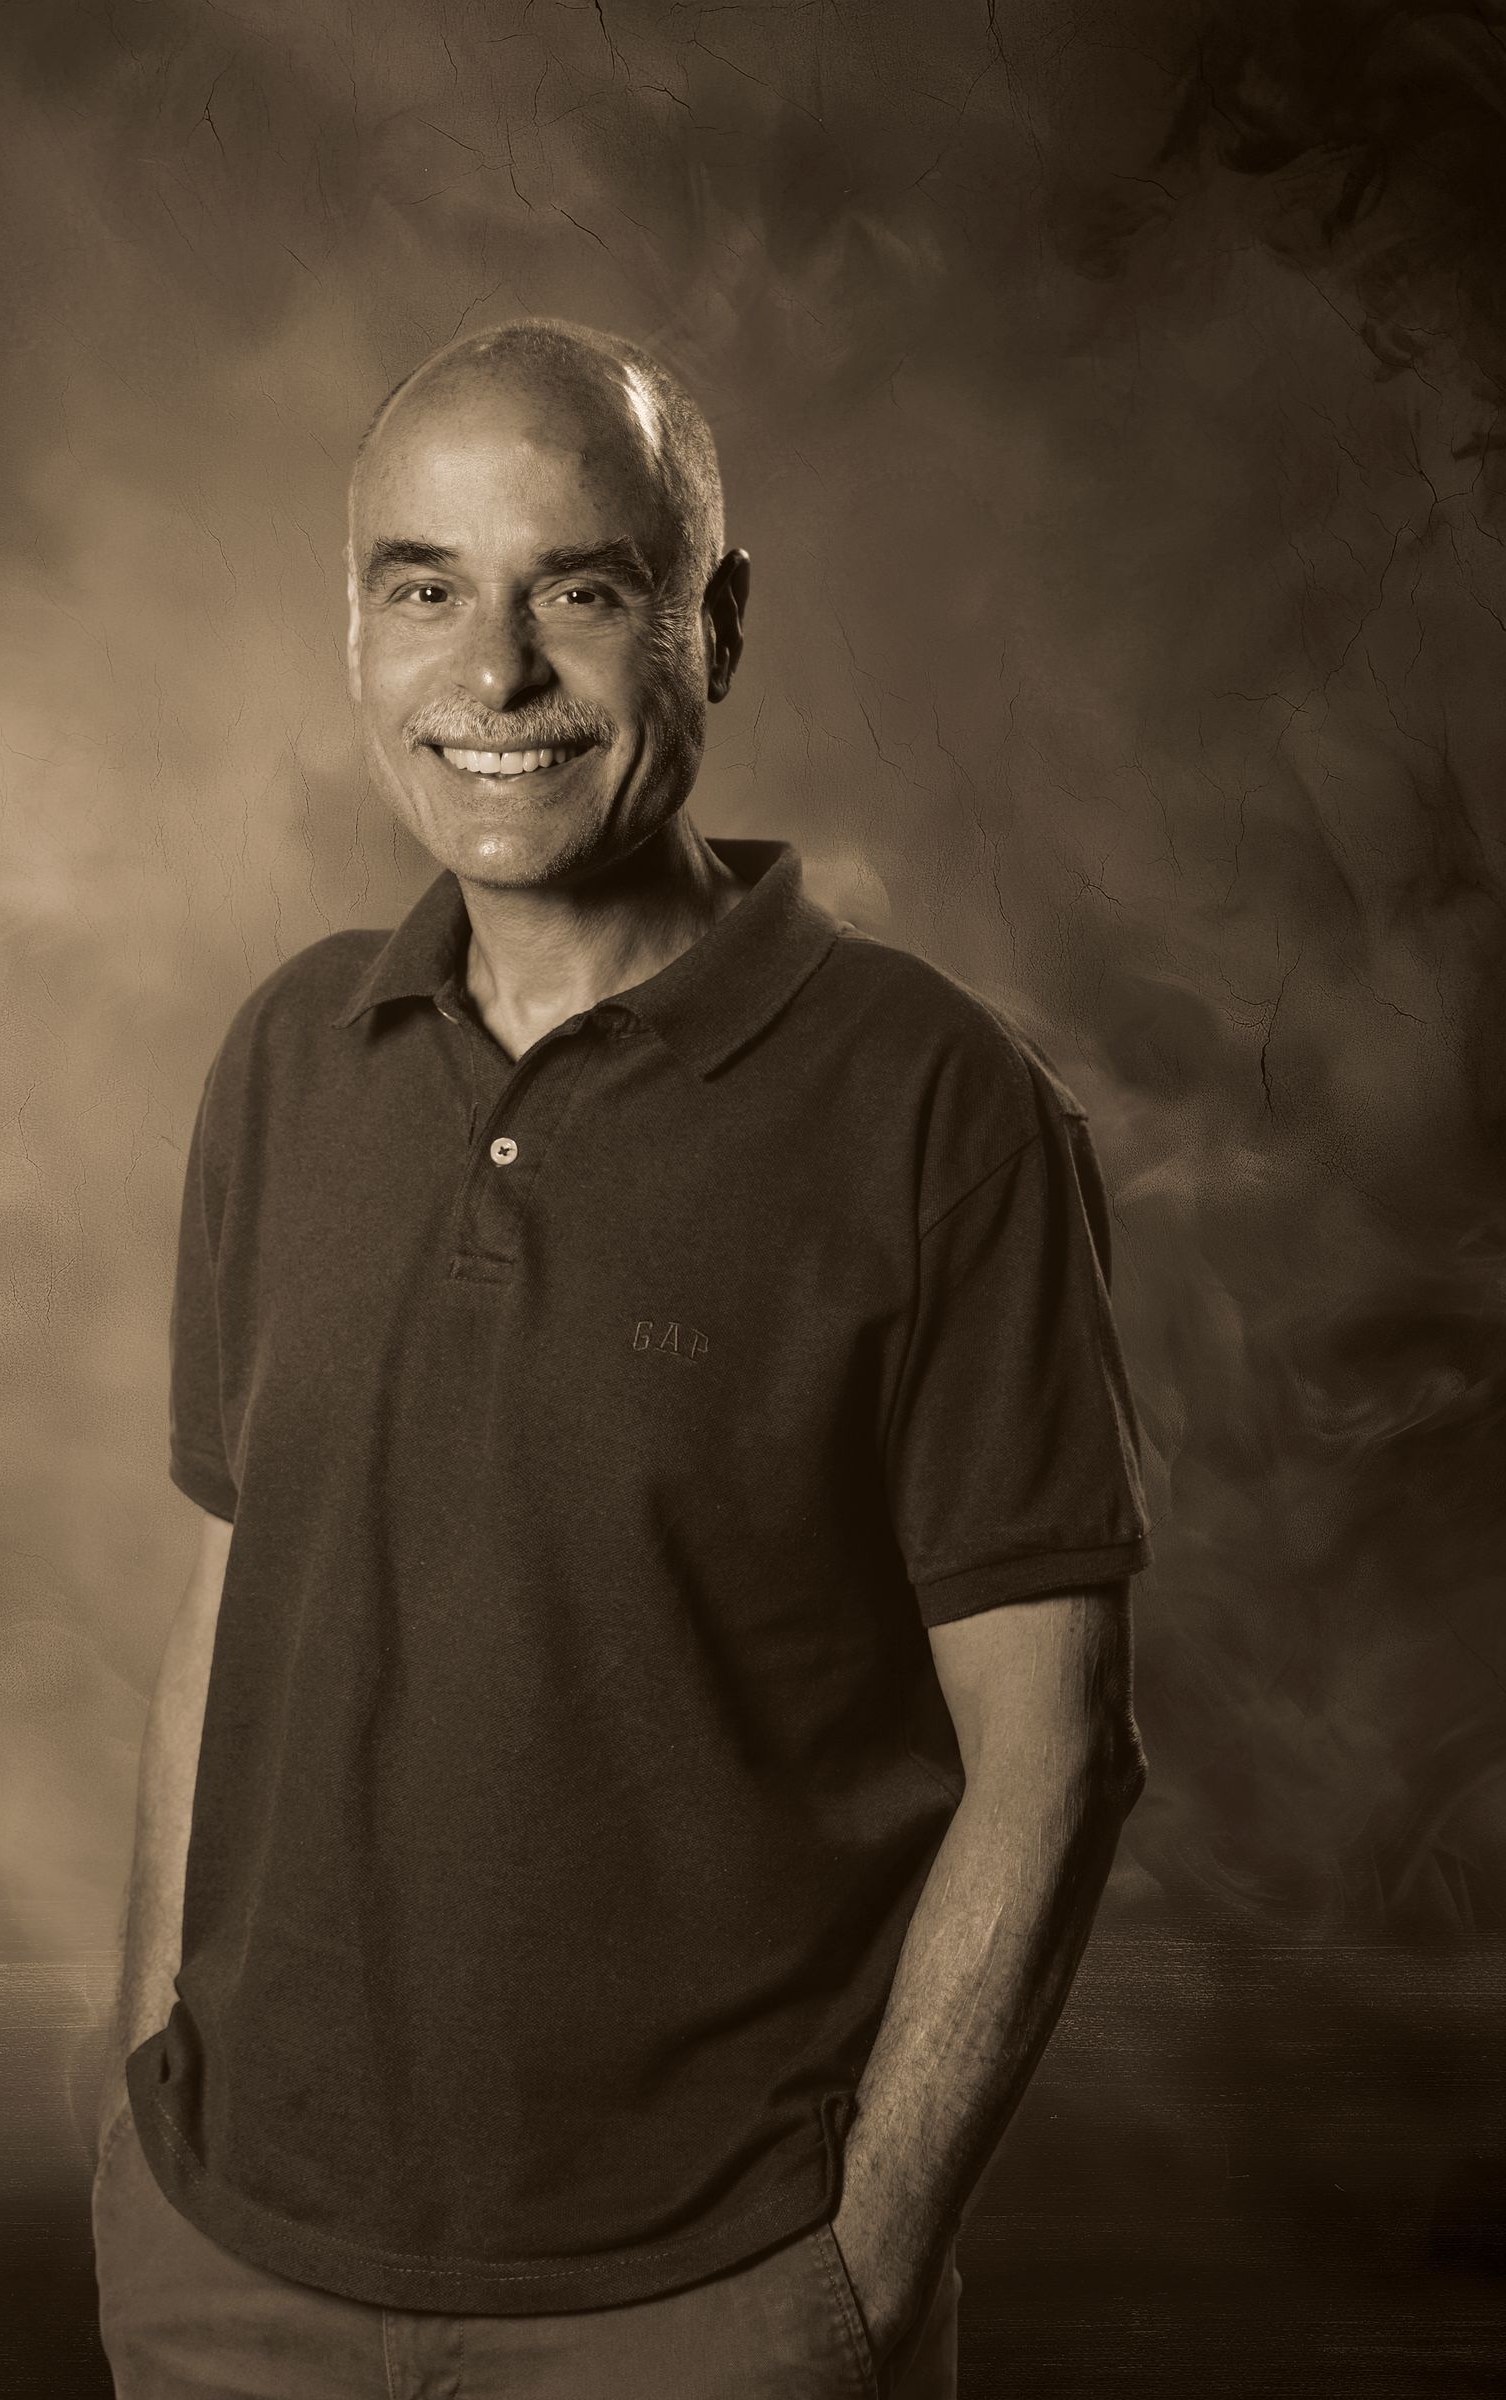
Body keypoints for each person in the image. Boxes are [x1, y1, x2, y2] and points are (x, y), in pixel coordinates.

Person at [90, 318, 1153, 2399]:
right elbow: (226, 1613)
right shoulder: (291, 1055)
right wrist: (138, 2103)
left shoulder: (937, 1107)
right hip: (229, 2271)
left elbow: (1059, 1752)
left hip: (712, 2301)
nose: (491, 678)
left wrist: (858, 2264)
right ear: (357, 631)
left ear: (713, 626)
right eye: (424, 590)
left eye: (578, 592)